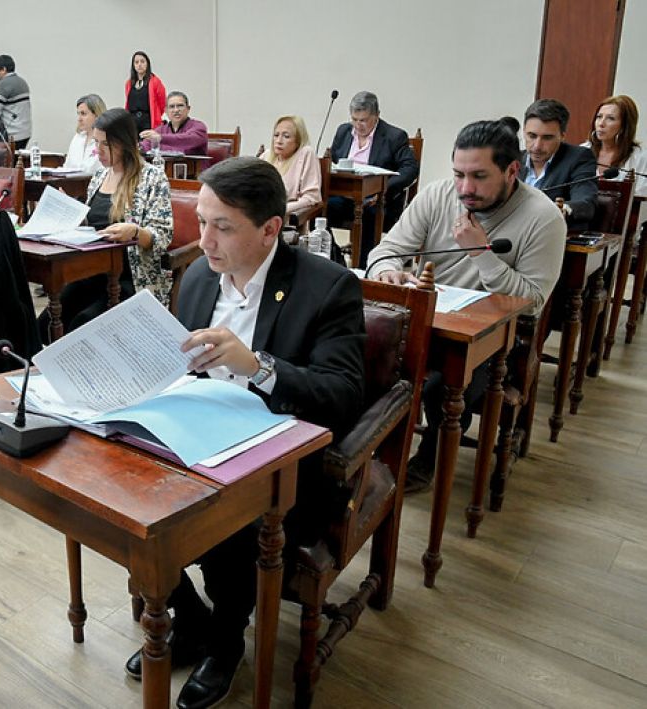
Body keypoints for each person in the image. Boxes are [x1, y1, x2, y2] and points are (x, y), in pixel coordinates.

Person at [121, 156, 365, 709]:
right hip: (198, 433)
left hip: (287, 463)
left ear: (270, 229)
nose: (202, 239)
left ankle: (226, 641)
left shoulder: (327, 287)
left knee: (227, 518)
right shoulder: (201, 276)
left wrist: (260, 366)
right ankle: (190, 617)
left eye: (221, 226)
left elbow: (344, 396)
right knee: (118, 498)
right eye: (202, 221)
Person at [366, 118, 567, 493]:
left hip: (489, 340)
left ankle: (431, 453)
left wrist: (481, 253)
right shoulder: (438, 195)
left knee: (441, 384)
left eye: (478, 176)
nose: (465, 188)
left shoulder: (544, 218)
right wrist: (389, 271)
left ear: (511, 171)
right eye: (458, 174)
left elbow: (533, 302)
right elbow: (386, 250)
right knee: (357, 355)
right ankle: (366, 454)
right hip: (426, 321)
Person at [37, 108, 172, 338]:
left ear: (124, 143)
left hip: (131, 278)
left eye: (105, 144)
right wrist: (70, 211)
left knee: (83, 324)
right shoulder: (100, 176)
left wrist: (135, 232)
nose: (97, 150)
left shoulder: (152, 177)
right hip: (92, 272)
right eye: (96, 142)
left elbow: (162, 237)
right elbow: (91, 225)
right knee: (44, 323)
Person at [326, 91, 419, 268]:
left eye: (364, 120)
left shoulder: (394, 136)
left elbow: (410, 169)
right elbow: (333, 160)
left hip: (378, 200)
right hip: (346, 196)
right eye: (354, 119)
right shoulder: (344, 131)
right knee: (320, 208)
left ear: (376, 116)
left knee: (368, 214)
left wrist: (384, 189)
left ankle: (364, 268)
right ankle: (335, 262)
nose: (358, 125)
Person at [521, 98, 598, 231]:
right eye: (532, 136)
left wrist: (562, 210)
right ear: (524, 132)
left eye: (547, 138)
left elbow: (586, 204)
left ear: (562, 136)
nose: (537, 146)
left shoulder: (579, 158)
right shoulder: (512, 159)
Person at [260, 114, 322, 224]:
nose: (279, 141)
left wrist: (283, 209)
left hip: (287, 218)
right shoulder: (267, 156)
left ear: (298, 140)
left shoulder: (306, 154)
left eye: (286, 136)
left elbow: (311, 198)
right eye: (276, 135)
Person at [586, 94, 647, 198]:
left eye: (610, 118)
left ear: (624, 126)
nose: (601, 123)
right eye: (599, 117)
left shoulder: (640, 158)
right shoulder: (583, 150)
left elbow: (641, 198)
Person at [0, 54, 32, 148]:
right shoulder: (23, 82)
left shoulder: (3, 85)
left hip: (12, 133)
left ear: (4, 69)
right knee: (19, 160)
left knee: (8, 161)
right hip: (26, 132)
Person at [139, 91, 208, 156]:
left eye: (180, 106)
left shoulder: (199, 127)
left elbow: (187, 140)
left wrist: (160, 138)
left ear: (188, 108)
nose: (176, 110)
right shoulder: (160, 130)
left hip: (194, 168)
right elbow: (145, 146)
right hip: (165, 168)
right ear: (166, 111)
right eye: (172, 107)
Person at [124, 51, 167, 134]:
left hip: (148, 121)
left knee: (147, 144)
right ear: (133, 65)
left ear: (147, 64)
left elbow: (162, 103)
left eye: (142, 62)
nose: (139, 64)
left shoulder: (155, 81)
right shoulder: (129, 83)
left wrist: (156, 115)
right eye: (136, 62)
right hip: (133, 121)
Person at [64, 93, 106, 175]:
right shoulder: (78, 138)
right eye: (78, 114)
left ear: (97, 115)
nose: (79, 119)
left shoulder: (105, 140)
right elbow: (66, 167)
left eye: (83, 114)